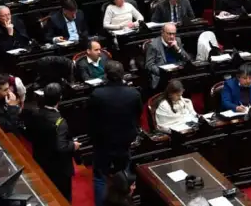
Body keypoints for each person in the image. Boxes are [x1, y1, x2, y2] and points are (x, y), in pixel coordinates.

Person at [88, 60, 141, 206]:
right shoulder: (133, 93)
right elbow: (137, 115)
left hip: (102, 142)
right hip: (125, 142)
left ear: (106, 75)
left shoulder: (97, 94)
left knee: (100, 177)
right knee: (124, 174)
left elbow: (90, 119)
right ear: (122, 75)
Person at [30, 83, 79, 201]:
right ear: (60, 98)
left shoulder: (35, 113)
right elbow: (61, 147)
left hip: (41, 160)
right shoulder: (60, 122)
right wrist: (74, 146)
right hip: (59, 167)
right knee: (63, 197)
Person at [145, 23, 192, 89]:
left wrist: (178, 49)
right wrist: (162, 72)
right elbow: (149, 65)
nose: (172, 36)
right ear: (162, 33)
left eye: (174, 34)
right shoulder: (153, 45)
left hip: (177, 75)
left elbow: (187, 59)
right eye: (169, 34)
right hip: (162, 78)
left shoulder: (177, 41)